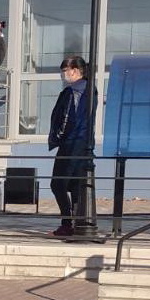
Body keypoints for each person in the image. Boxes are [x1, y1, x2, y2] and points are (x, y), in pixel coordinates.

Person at [48, 55, 96, 238]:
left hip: (71, 143)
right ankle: (77, 223)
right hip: (83, 143)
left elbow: (68, 118)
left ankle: (67, 223)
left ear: (75, 71)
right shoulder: (90, 89)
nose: (63, 75)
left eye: (64, 71)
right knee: (75, 184)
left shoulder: (72, 92)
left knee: (58, 184)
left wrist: (59, 136)